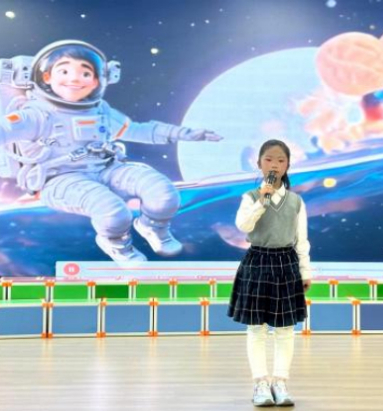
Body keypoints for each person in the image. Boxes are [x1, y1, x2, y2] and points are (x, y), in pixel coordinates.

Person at [0, 40, 221, 261]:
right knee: (112, 211)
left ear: (97, 81)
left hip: (107, 169)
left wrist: (187, 133)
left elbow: (138, 130)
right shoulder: (35, 115)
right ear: (47, 77)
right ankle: (117, 244)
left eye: (85, 73)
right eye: (64, 71)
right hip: (59, 179)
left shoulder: (101, 111)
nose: (75, 79)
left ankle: (153, 227)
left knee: (163, 193)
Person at [227, 139, 312, 407]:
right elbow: (243, 226)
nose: (274, 165)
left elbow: (302, 240)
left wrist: (305, 271)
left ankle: (280, 382)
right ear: (259, 164)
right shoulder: (250, 197)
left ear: (287, 166)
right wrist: (262, 201)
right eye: (269, 160)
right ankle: (260, 383)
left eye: (280, 160)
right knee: (257, 328)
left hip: (286, 263)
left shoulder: (296, 201)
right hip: (258, 261)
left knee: (286, 328)